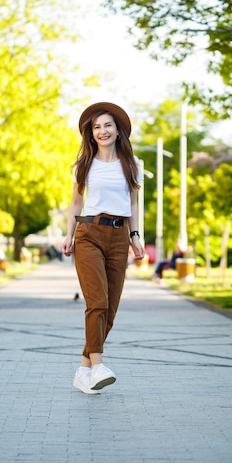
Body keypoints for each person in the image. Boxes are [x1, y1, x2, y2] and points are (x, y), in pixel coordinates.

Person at [63, 102, 145, 395]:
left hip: (119, 236)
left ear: (118, 130)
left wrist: (136, 236)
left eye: (107, 125)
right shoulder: (84, 165)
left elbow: (133, 203)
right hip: (88, 233)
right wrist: (68, 235)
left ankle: (84, 369)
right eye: (96, 127)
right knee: (96, 301)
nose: (102, 131)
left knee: (110, 310)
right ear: (91, 133)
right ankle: (98, 366)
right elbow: (75, 203)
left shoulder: (134, 166)